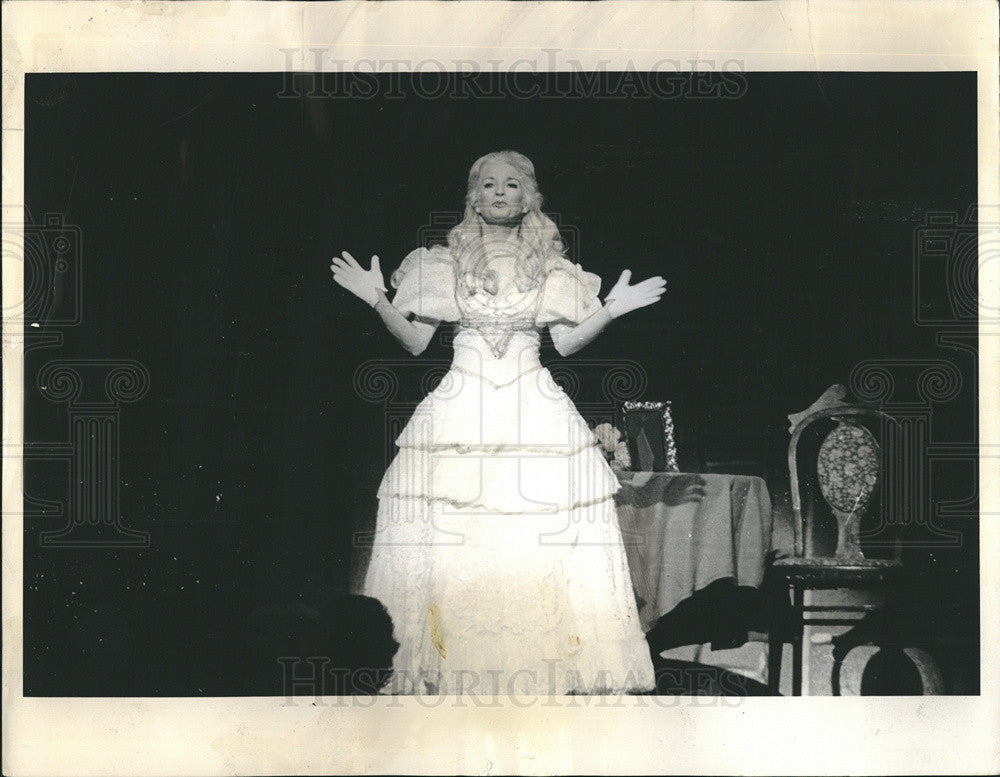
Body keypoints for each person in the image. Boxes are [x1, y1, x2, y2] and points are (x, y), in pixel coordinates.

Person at [330, 151, 666, 695]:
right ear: (473, 196)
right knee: (458, 533)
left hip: (531, 406)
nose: (500, 193)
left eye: (512, 184)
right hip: (462, 407)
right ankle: (451, 663)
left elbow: (566, 341)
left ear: (530, 196)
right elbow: (416, 341)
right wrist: (376, 299)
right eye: (488, 185)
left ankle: (534, 666)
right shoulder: (442, 262)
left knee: (531, 530)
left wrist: (613, 309)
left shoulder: (554, 268)